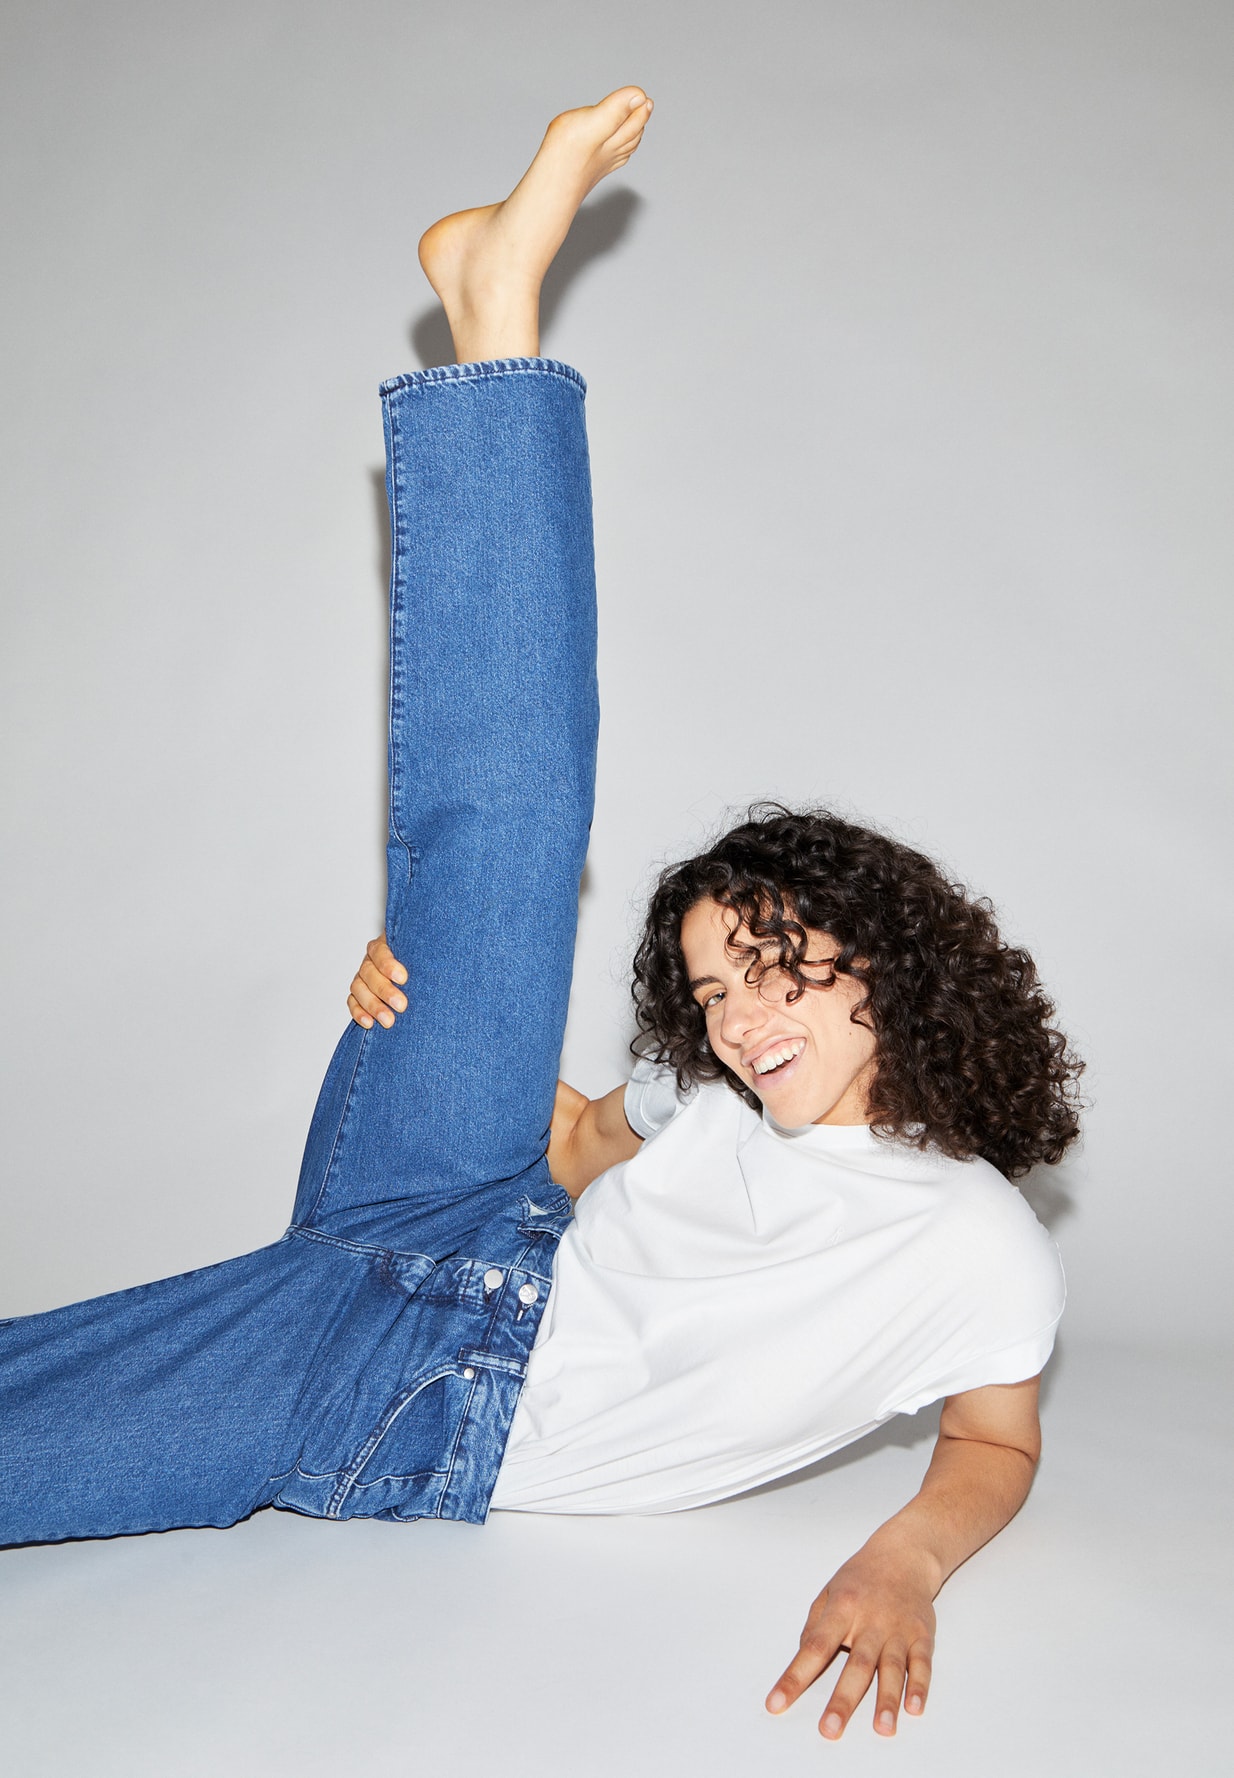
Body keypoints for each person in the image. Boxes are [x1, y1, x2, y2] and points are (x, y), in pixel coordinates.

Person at [0, 88, 1081, 1743]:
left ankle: (491, 311)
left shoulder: (972, 1242)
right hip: (472, 1202)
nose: (737, 1017)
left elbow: (992, 1443)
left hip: (420, 1393)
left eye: (775, 968)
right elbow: (569, 1143)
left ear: (896, 968)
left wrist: (903, 1564)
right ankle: (493, 316)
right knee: (501, 842)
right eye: (715, 986)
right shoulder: (711, 1103)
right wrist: (419, 1023)